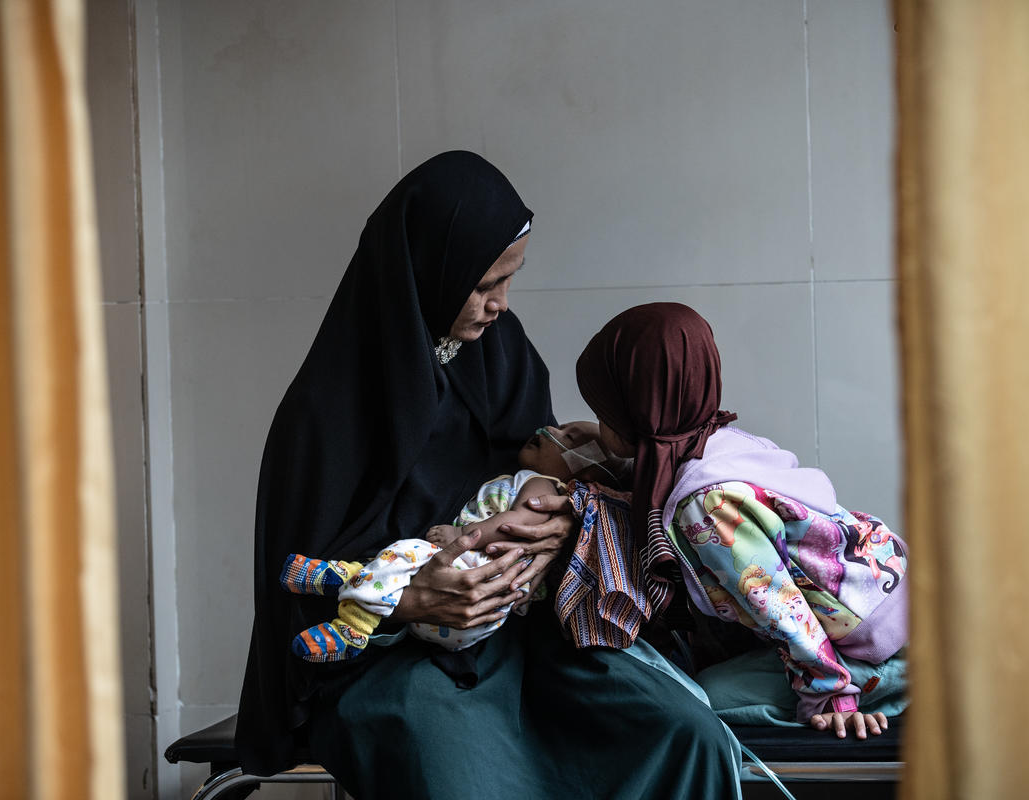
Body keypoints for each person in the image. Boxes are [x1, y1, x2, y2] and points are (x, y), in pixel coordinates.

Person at [235, 153, 741, 798]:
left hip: (528, 634)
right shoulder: (324, 412)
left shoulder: (503, 356)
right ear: (427, 274)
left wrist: (558, 527)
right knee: (464, 774)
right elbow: (291, 581)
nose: (500, 305)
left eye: (509, 280)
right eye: (482, 286)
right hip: (392, 657)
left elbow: (546, 477)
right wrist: (408, 599)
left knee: (681, 732)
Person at [575, 302, 908, 741]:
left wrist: (832, 697)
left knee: (697, 696)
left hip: (872, 644)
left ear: (634, 414)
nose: (599, 424)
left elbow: (781, 610)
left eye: (605, 412)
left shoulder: (704, 505)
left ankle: (893, 683)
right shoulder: (721, 443)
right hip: (891, 593)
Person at [280, 421, 627, 662]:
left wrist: (462, 535)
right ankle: (355, 586)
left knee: (407, 552)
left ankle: (352, 616)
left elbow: (516, 523)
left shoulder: (543, 485)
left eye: (568, 437)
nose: (551, 429)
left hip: (476, 569)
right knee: (404, 576)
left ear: (584, 472)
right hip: (470, 628)